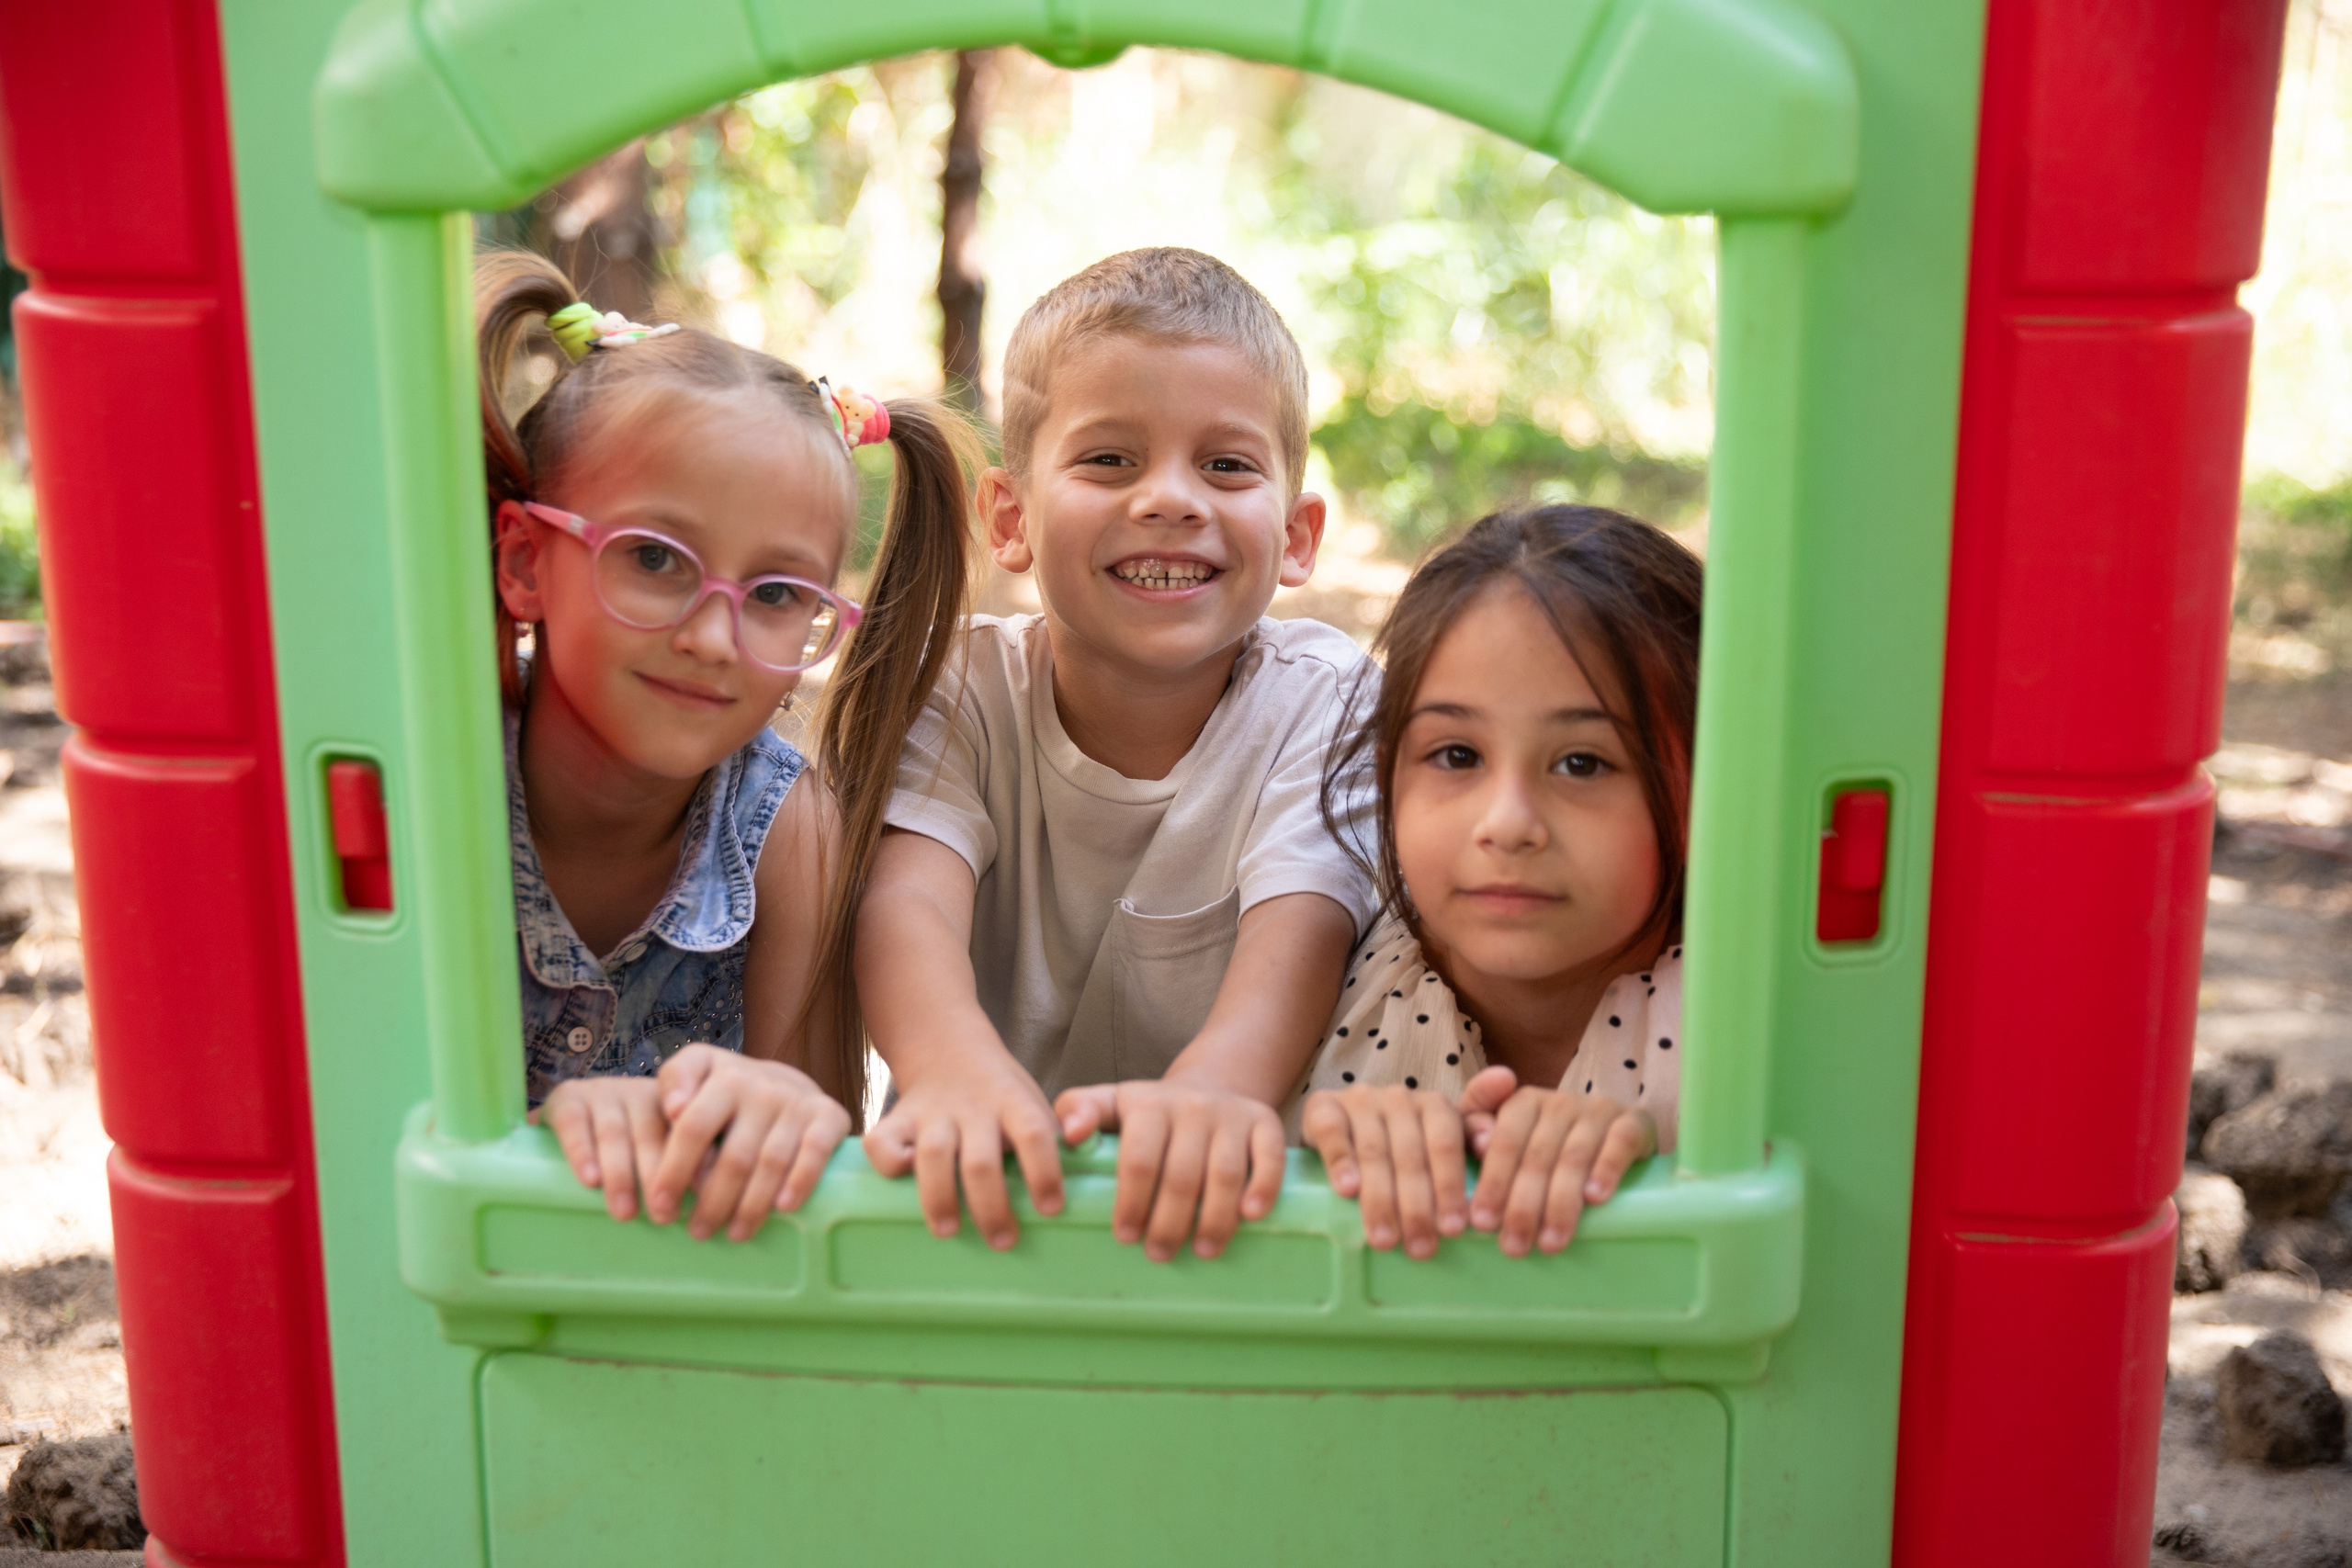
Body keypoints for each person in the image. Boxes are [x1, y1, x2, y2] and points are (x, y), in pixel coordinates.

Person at [831, 249, 1378, 1264]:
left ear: (1297, 534)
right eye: (1108, 461)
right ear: (1010, 518)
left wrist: (1214, 1096)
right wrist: (949, 1069)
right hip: (985, 1209)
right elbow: (906, 904)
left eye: (1226, 465)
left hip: (1225, 1220)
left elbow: (1302, 928)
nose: (1169, 499)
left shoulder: (1327, 701)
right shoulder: (962, 688)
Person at [475, 251, 977, 1242]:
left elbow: (818, 1144)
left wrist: (781, 1123)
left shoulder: (790, 834)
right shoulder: (440, 790)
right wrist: (543, 1132)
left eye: (779, 595)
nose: (714, 637)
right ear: (525, 561)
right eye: (655, 560)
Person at [1295, 505, 1702, 1262]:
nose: (1508, 823)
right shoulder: (1321, 972)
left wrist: (1665, 1161)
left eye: (1583, 762)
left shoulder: (1751, 1037)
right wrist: (1317, 1155)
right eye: (1456, 755)